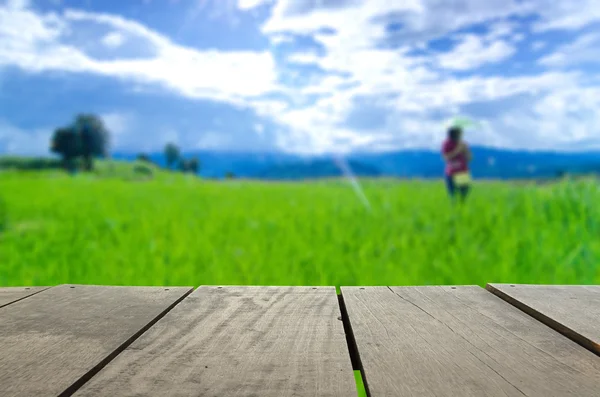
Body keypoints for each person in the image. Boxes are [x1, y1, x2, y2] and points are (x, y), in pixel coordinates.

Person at [441, 126, 472, 201]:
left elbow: (469, 159)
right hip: (451, 172)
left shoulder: (462, 143)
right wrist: (458, 150)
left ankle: (462, 210)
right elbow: (446, 158)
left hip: (462, 172)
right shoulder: (446, 143)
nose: (461, 134)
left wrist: (466, 150)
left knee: (464, 195)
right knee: (453, 196)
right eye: (460, 132)